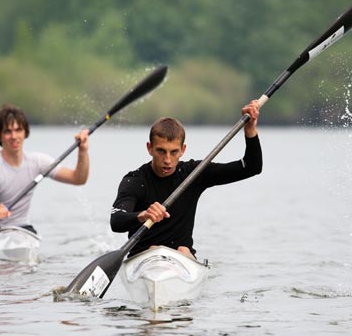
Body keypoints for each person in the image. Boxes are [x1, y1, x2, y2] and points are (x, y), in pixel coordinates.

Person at [110, 100, 262, 259]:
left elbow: (251, 167)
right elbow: (116, 221)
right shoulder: (135, 180)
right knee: (154, 248)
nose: (167, 160)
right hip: (144, 258)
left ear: (183, 150)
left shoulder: (194, 173)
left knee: (183, 250)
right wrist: (142, 215)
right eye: (161, 151)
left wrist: (250, 129)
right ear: (149, 148)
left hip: (182, 258)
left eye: (174, 152)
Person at [0, 104, 90, 233]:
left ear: (25, 132)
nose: (14, 136)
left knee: (31, 233)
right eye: (7, 131)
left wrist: (82, 152)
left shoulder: (38, 161)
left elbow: (78, 179)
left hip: (22, 228)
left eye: (18, 130)